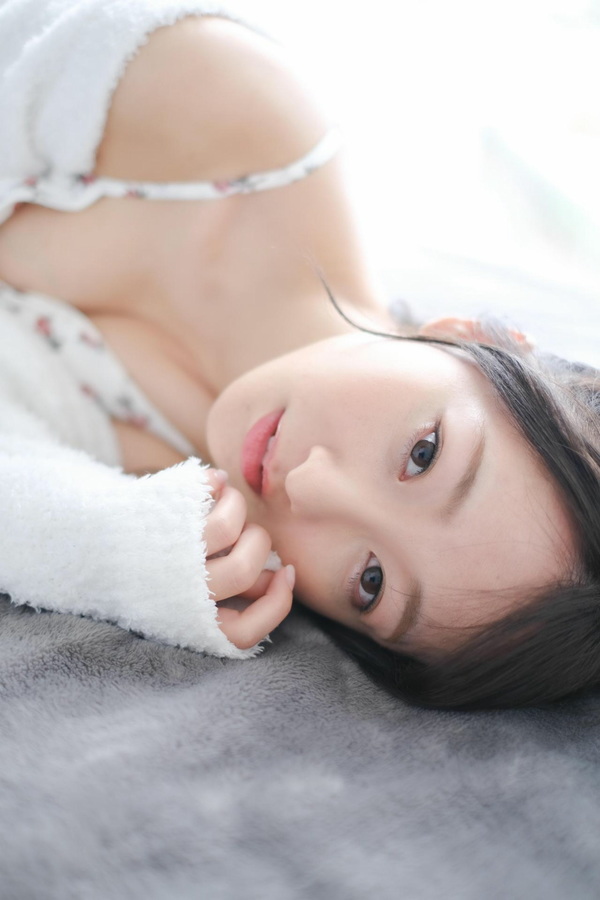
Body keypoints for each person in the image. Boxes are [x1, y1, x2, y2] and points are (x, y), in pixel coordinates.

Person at [0, 0, 598, 708]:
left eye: (371, 580)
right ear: (475, 338)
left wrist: (112, 552)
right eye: (424, 454)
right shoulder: (225, 98)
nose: (312, 488)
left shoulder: (170, 501)